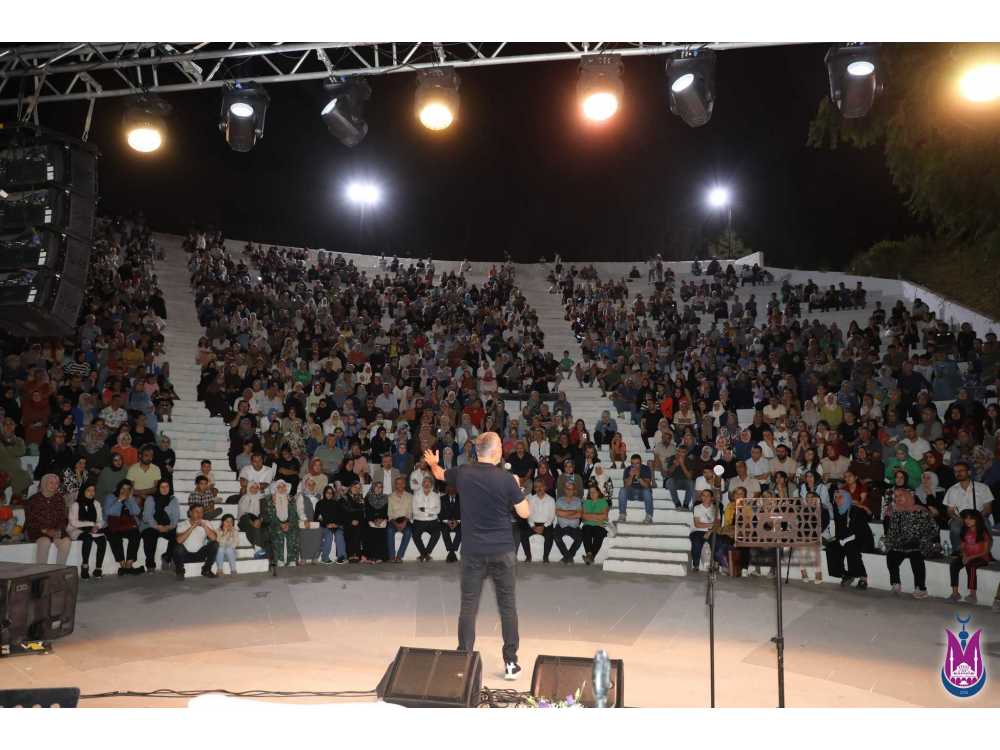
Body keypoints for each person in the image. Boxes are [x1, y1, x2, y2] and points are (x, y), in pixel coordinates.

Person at [423, 432, 529, 681]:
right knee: (507, 607)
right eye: (501, 446)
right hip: (502, 551)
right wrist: (518, 487)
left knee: (468, 606)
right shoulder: (506, 479)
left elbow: (439, 475)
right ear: (495, 451)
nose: (503, 449)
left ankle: (464, 660)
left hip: (472, 552)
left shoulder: (463, 473)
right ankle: (510, 663)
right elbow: (524, 513)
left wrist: (433, 463)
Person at [883, 487, 938, 599]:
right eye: (896, 496)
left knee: (916, 557)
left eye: (901, 495)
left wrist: (922, 540)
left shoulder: (920, 510)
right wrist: (889, 544)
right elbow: (892, 532)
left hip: (919, 543)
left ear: (908, 496)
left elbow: (934, 528)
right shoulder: (896, 512)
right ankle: (896, 583)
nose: (898, 498)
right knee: (891, 555)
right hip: (901, 544)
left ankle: (921, 588)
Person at [825, 488, 874, 589]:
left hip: (862, 539)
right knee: (831, 547)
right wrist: (838, 540)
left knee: (850, 546)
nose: (837, 499)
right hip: (845, 538)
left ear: (847, 498)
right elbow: (840, 529)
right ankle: (845, 574)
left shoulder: (854, 509)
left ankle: (863, 577)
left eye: (840, 497)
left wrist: (865, 508)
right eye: (835, 497)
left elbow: (864, 523)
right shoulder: (837, 510)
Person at [942, 461, 993, 554]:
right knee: (955, 527)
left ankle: (986, 553)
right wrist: (958, 518)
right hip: (959, 518)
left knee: (985, 524)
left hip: (979, 516)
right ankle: (958, 552)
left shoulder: (982, 487)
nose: (958, 473)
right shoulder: (952, 490)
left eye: (961, 470)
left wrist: (977, 518)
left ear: (969, 472)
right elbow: (950, 511)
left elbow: (988, 508)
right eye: (955, 471)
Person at [26, 474, 72, 565]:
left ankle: (59, 569)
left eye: (56, 483)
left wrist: (58, 530)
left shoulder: (59, 498)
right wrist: (45, 530)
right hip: (38, 531)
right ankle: (41, 570)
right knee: (45, 542)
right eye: (51, 483)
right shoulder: (33, 500)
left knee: (66, 542)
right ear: (44, 483)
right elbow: (31, 520)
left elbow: (63, 518)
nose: (54, 485)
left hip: (56, 530)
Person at [948, 510, 992, 604]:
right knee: (954, 565)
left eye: (971, 519)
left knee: (971, 566)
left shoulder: (983, 532)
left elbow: (985, 552)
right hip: (967, 556)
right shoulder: (965, 531)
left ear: (977, 520)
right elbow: (962, 547)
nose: (967, 521)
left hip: (981, 557)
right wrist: (964, 555)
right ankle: (955, 594)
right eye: (966, 518)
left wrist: (970, 558)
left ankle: (973, 595)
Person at [103, 479, 143, 576]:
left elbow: (137, 512)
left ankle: (128, 565)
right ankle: (123, 564)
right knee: (114, 536)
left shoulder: (129, 498)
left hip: (127, 526)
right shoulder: (110, 497)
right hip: (112, 525)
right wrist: (119, 500)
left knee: (136, 534)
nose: (125, 491)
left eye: (128, 489)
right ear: (118, 488)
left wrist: (131, 498)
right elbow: (108, 512)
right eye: (123, 488)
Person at [68, 481, 106, 579]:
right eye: (88, 490)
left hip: (92, 529)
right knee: (87, 538)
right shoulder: (75, 505)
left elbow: (100, 520)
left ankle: (98, 568)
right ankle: (85, 566)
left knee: (102, 539)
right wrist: (91, 524)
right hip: (76, 529)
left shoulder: (96, 503)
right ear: (83, 491)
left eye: (93, 490)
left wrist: (97, 526)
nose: (91, 493)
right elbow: (73, 522)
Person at [140, 479, 179, 573]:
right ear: (158, 488)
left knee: (176, 535)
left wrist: (169, 527)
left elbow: (176, 516)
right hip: (150, 525)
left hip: (167, 525)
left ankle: (167, 557)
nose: (165, 489)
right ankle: (150, 565)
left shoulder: (173, 499)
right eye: (162, 487)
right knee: (150, 535)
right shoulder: (150, 499)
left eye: (167, 486)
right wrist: (157, 526)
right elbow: (147, 516)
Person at [173, 505, 219, 579]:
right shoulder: (182, 524)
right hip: (186, 555)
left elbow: (214, 538)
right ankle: (180, 571)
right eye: (197, 512)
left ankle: (206, 570)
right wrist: (192, 527)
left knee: (215, 544)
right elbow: (179, 540)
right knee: (178, 547)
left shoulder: (206, 523)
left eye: (201, 512)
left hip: (200, 554)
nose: (199, 514)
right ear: (190, 513)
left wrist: (205, 526)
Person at [263, 480, 300, 567]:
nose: (282, 488)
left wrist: (288, 524)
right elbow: (269, 516)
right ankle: (279, 559)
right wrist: (273, 504)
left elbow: (294, 515)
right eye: (279, 487)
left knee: (293, 533)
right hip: (275, 523)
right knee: (278, 533)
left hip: (289, 523)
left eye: (283, 486)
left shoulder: (291, 499)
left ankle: (292, 559)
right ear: (275, 488)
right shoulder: (269, 500)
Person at [616, 453, 654, 526]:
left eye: (637, 463)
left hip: (643, 493)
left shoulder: (646, 469)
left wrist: (638, 477)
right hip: (631, 493)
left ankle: (649, 516)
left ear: (641, 462)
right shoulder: (627, 469)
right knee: (622, 490)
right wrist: (631, 476)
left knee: (647, 491)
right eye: (633, 464)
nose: (635, 466)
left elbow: (647, 485)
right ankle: (622, 515)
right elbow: (625, 486)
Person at [411, 475, 442, 562]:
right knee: (415, 535)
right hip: (419, 520)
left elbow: (438, 510)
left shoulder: (436, 496)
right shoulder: (416, 495)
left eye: (429, 482)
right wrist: (430, 512)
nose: (427, 484)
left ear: (431, 484)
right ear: (422, 484)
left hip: (432, 521)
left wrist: (425, 510)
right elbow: (415, 511)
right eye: (425, 482)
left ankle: (425, 553)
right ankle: (425, 554)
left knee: (437, 533)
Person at [553, 479, 584, 563]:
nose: (569, 491)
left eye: (571, 489)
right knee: (556, 536)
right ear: (564, 489)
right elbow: (558, 513)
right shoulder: (559, 500)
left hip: (574, 527)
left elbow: (579, 515)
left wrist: (565, 513)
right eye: (567, 489)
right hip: (561, 526)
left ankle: (566, 557)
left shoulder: (578, 500)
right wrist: (573, 512)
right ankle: (569, 557)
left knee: (580, 538)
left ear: (574, 490)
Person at [580, 482, 610, 565]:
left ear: (598, 492)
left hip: (599, 526)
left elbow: (605, 517)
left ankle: (590, 556)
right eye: (590, 492)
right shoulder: (586, 502)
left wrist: (590, 516)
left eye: (594, 492)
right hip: (588, 525)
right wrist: (597, 516)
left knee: (599, 532)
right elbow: (583, 517)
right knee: (586, 529)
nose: (592, 494)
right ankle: (590, 555)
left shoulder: (603, 502)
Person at [689, 489, 717, 572]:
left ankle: (715, 564)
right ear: (701, 497)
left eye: (708, 495)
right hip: (697, 531)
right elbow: (697, 524)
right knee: (696, 542)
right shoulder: (697, 507)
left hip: (712, 531)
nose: (705, 497)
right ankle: (696, 565)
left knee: (717, 542)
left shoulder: (715, 508)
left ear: (712, 498)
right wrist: (711, 524)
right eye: (703, 495)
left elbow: (717, 524)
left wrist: (709, 531)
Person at [386, 475, 413, 563]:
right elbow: (389, 513)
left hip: (406, 520)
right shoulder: (390, 497)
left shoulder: (410, 496)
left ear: (404, 485)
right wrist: (396, 524)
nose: (400, 485)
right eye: (398, 484)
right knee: (389, 531)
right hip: (394, 520)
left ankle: (399, 556)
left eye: (402, 483)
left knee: (408, 532)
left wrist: (404, 522)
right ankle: (391, 556)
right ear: (395, 485)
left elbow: (410, 512)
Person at [362, 481, 390, 563]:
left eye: (380, 487)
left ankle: (381, 556)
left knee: (382, 531)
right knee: (370, 530)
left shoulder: (386, 498)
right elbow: (366, 511)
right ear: (373, 488)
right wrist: (374, 520)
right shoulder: (367, 497)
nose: (378, 488)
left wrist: (381, 519)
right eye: (377, 487)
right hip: (370, 519)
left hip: (382, 519)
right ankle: (371, 556)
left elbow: (387, 511)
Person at [438, 484, 462, 562]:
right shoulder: (442, 499)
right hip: (445, 522)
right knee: (444, 530)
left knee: (461, 530)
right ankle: (452, 552)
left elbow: (465, 512)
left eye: (454, 487)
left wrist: (457, 521)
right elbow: (439, 513)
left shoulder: (462, 498)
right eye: (450, 487)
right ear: (447, 488)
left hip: (458, 522)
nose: (452, 489)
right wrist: (447, 521)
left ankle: (451, 552)